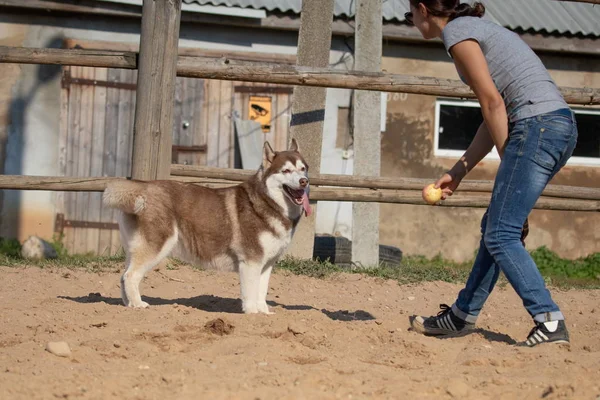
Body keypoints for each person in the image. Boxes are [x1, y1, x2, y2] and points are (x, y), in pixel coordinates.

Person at [404, 0, 578, 347]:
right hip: (559, 127)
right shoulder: (475, 29)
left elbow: (493, 104)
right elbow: (492, 112)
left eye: (410, 13)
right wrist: (460, 170)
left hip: (537, 127)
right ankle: (461, 316)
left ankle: (549, 319)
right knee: (498, 229)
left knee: (501, 233)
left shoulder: (456, 34)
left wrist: (507, 159)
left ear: (423, 8)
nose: (411, 20)